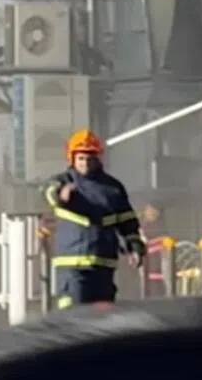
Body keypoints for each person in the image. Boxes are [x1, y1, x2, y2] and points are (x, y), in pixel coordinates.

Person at [43, 129, 146, 309]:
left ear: (98, 158)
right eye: (81, 158)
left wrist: (135, 246)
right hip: (73, 265)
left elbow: (127, 221)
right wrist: (61, 195)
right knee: (74, 315)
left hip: (104, 265)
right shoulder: (63, 181)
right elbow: (49, 193)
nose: (85, 163)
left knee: (101, 319)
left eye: (90, 159)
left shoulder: (113, 188)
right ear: (72, 158)